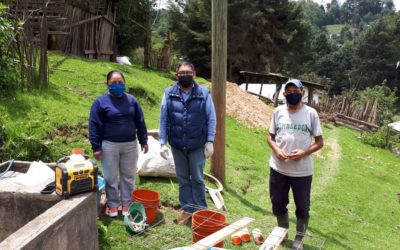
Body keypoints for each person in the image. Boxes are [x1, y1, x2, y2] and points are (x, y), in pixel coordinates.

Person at [267, 79, 323, 249]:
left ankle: (299, 239)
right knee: (277, 202)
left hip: (302, 172)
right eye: (289, 92)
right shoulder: (278, 111)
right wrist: (277, 150)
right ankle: (282, 232)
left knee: (303, 207)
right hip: (278, 168)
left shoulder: (311, 113)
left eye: (295, 91)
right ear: (284, 94)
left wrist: (304, 152)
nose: (292, 94)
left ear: (302, 93)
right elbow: (270, 137)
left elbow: (320, 142)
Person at [159, 61, 216, 224]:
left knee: (197, 178)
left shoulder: (204, 94)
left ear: (194, 75)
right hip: (177, 144)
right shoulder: (169, 93)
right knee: (183, 178)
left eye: (188, 73)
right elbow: (163, 118)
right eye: (181, 73)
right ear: (177, 76)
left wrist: (210, 141)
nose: (184, 75)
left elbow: (211, 118)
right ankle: (187, 208)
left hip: (197, 144)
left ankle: (200, 210)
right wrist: (162, 142)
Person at [89, 70, 149, 217]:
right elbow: (94, 125)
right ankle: (113, 205)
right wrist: (96, 147)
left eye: (120, 83)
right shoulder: (100, 102)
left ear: (124, 83)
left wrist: (143, 140)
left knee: (128, 177)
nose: (117, 85)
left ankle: (127, 204)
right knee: (110, 177)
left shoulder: (132, 101)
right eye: (113, 83)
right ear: (107, 84)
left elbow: (140, 121)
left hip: (129, 145)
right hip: (109, 145)